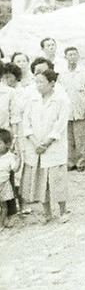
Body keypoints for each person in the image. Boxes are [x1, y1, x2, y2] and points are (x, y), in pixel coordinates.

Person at [20, 69, 71, 223]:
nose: (38, 85)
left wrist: (47, 142)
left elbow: (60, 124)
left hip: (54, 147)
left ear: (52, 83)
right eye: (36, 82)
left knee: (57, 179)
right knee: (41, 180)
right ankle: (47, 212)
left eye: (41, 82)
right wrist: (36, 142)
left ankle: (62, 211)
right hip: (36, 147)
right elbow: (26, 122)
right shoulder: (32, 100)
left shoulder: (61, 100)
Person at [59, 47, 85, 172]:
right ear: (66, 57)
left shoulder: (84, 71)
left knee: (80, 138)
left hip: (80, 108)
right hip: (65, 110)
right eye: (70, 55)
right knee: (68, 138)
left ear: (78, 56)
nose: (72, 57)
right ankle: (70, 162)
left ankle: (80, 162)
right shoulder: (62, 73)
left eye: (75, 54)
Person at [0, 64, 22, 217]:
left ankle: (11, 210)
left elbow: (14, 118)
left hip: (4, 137)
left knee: (7, 173)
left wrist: (14, 139)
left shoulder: (9, 93)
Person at [0, 128, 19, 228]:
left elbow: (15, 169)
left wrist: (19, 158)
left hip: (4, 184)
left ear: (7, 145)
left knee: (4, 206)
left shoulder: (9, 157)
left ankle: (2, 222)